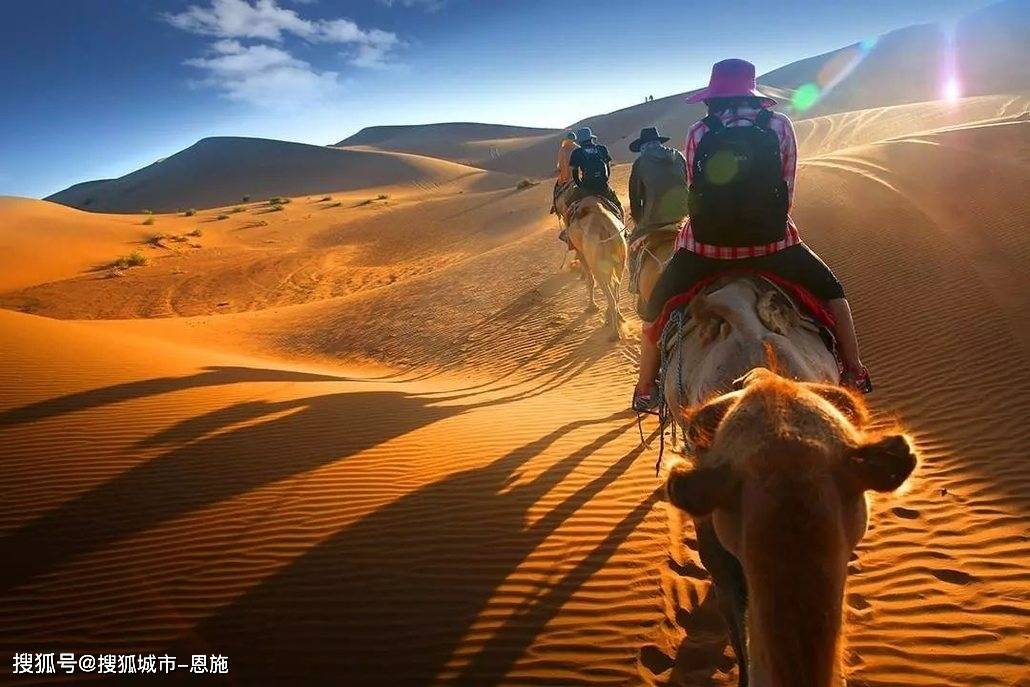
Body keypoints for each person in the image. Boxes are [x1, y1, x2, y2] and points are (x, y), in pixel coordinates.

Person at [632, 58, 871, 412]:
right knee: (833, 292)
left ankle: (645, 387)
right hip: (774, 245)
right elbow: (787, 189)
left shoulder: (699, 131)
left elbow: (694, 193)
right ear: (753, 91)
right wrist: (767, 230)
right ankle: (854, 370)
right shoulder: (779, 125)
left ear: (712, 95)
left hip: (706, 249)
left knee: (654, 310)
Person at [627, 126, 688, 243]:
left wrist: (638, 219)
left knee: (633, 244)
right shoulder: (678, 156)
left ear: (643, 146)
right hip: (684, 214)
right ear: (659, 143)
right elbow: (688, 182)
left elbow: (635, 197)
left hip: (654, 219)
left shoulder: (640, 163)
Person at [567, 127, 624, 220]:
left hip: (586, 187)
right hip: (603, 186)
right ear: (591, 138)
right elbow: (608, 168)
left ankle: (568, 232)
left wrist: (581, 186)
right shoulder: (602, 149)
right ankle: (624, 229)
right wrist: (605, 181)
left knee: (569, 208)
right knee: (618, 207)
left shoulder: (577, 153)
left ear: (580, 141)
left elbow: (575, 174)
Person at [552, 131, 579, 215]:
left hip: (566, 178)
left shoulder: (562, 150)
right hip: (579, 175)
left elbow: (560, 165)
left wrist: (559, 169)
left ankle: (555, 207)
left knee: (556, 189)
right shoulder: (578, 148)